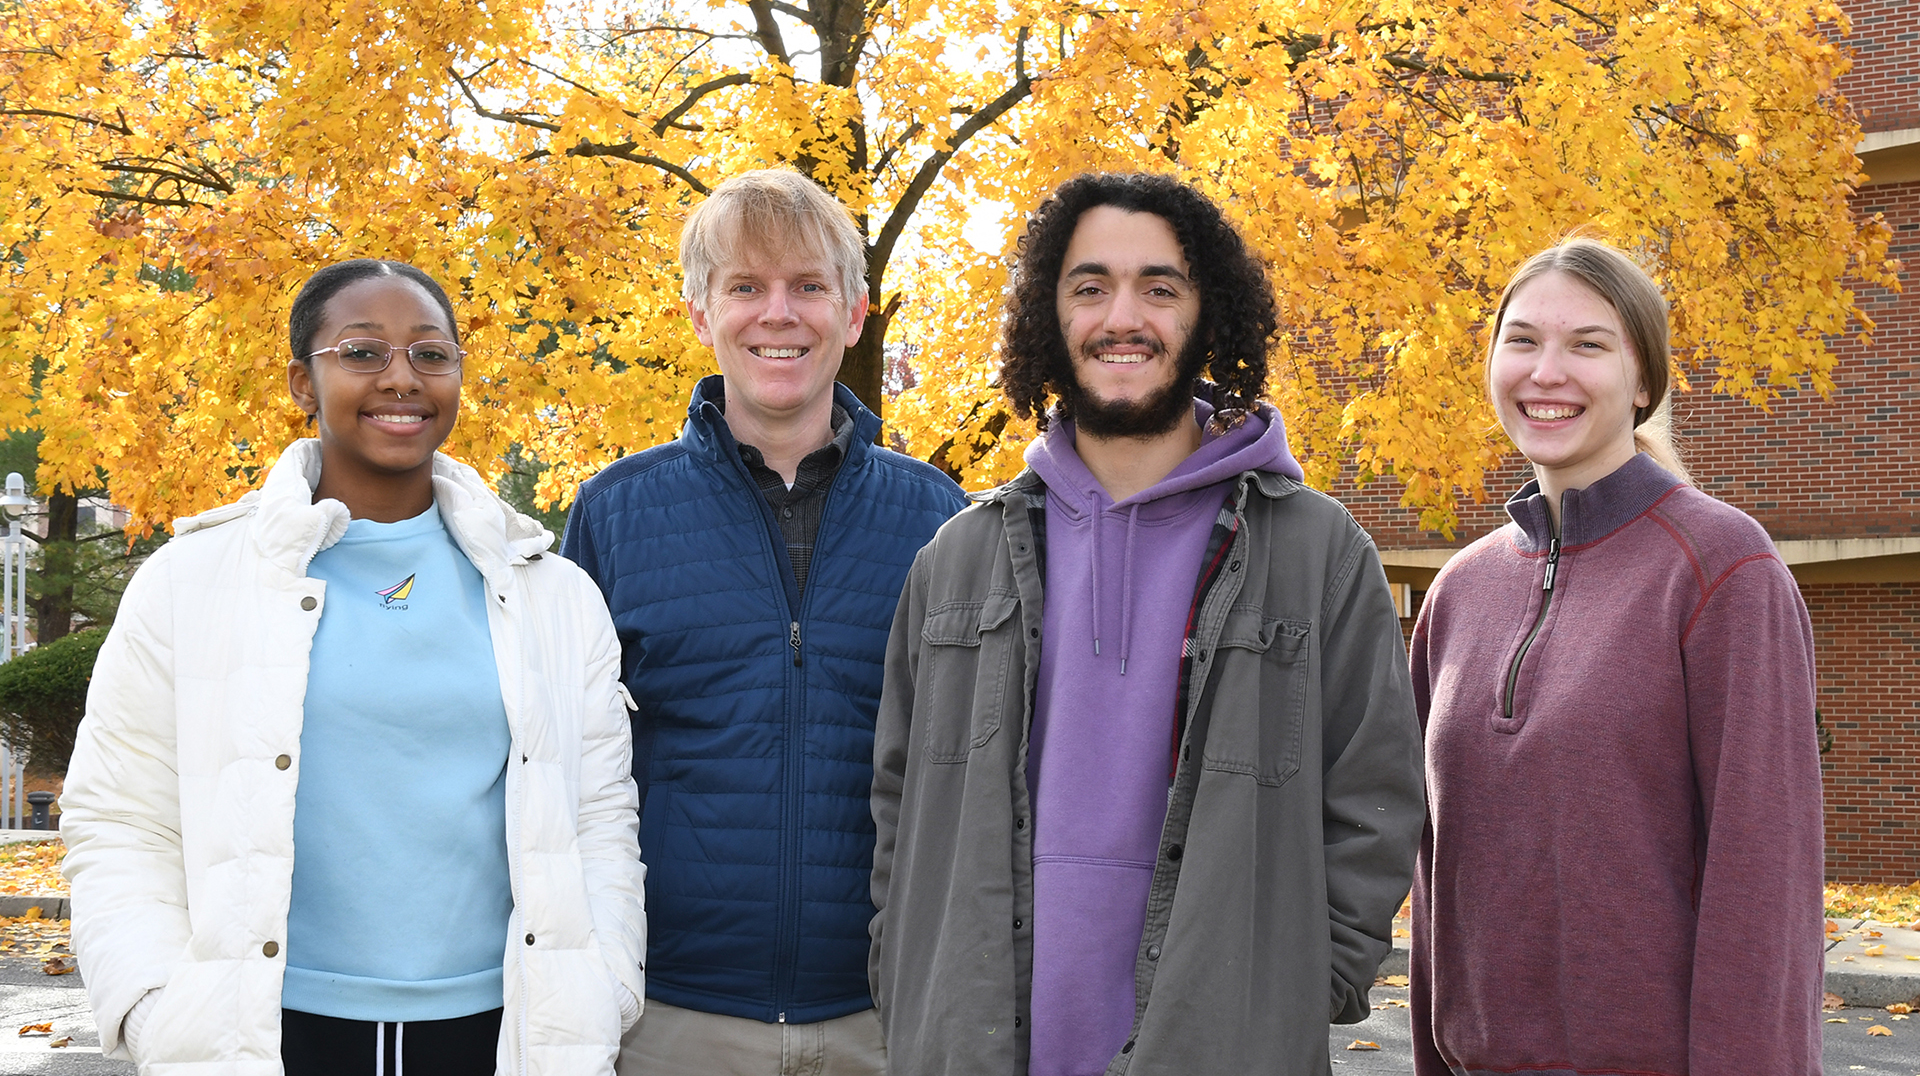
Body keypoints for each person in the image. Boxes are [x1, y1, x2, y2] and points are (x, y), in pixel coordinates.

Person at [869, 171, 1426, 1075]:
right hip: (978, 1046)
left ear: (1209, 316)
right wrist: (907, 978)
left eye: (1159, 288)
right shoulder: (956, 560)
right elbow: (898, 804)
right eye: (1090, 287)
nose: (1122, 316)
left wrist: (1307, 984)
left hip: (1226, 1045)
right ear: (1052, 317)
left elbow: (1375, 793)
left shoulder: (1317, 551)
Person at [61, 259, 646, 1075]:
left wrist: (608, 982)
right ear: (304, 381)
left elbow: (601, 821)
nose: (401, 377)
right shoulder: (190, 581)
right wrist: (156, 1005)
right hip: (266, 1031)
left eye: (431, 354)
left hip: (505, 1030)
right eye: (363, 352)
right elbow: (120, 819)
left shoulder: (552, 593)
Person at [560, 169, 967, 1075]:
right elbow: (557, 760)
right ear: (702, 314)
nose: (777, 313)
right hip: (669, 1015)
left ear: (855, 313)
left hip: (887, 1013)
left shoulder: (940, 516)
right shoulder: (615, 514)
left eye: (809, 286)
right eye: (745, 286)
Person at [1409, 238, 1825, 1074]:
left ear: (1643, 382)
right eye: (1521, 340)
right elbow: (1436, 869)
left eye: (1588, 344)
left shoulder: (1721, 569)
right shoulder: (1458, 591)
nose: (1546, 371)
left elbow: (1764, 883)